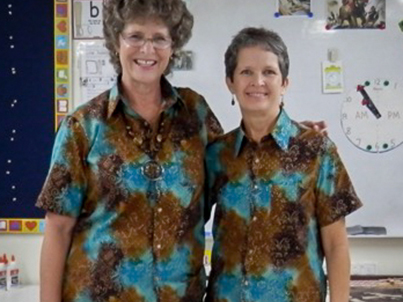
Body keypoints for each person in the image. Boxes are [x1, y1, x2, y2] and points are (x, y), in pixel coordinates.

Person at [36, 1, 223, 301]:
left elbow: (237, 170)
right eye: (135, 36)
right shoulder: (84, 126)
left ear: (173, 45)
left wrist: (289, 133)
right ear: (116, 41)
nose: (147, 50)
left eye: (159, 38)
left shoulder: (195, 114)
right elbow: (57, 230)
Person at [205, 27, 362, 302]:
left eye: (269, 72)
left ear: (284, 83)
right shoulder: (218, 154)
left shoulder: (316, 150)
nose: (258, 81)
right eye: (246, 72)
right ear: (230, 82)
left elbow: (336, 244)